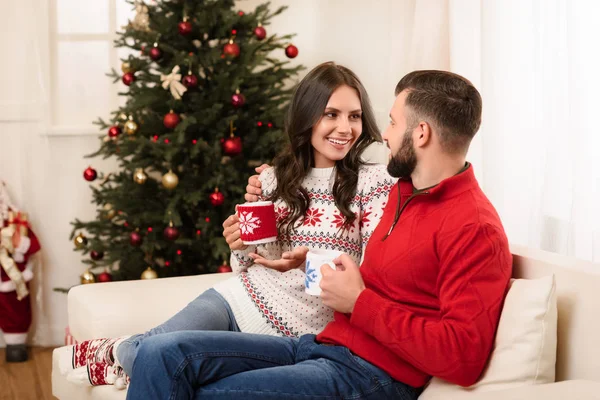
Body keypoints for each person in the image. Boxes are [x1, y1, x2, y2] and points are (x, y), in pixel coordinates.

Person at [125, 70, 513, 400]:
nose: (384, 136)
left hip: (373, 375)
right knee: (161, 353)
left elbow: (463, 357)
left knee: (193, 390)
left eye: (393, 123)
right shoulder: (404, 193)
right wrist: (308, 261)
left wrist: (360, 303)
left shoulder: (473, 227)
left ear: (422, 133)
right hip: (327, 346)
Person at [57, 61, 396, 388]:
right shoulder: (275, 179)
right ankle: (117, 352)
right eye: (331, 114)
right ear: (307, 118)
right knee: (155, 348)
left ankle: (113, 352)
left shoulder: (374, 183)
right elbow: (251, 264)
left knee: (152, 356)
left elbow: (368, 274)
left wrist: (309, 264)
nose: (345, 128)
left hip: (295, 336)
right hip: (238, 299)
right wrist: (241, 246)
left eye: (354, 116)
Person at [0, 181, 42, 363]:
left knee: (15, 308)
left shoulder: (17, 222)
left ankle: (15, 345)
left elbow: (34, 245)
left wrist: (19, 244)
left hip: (12, 278)